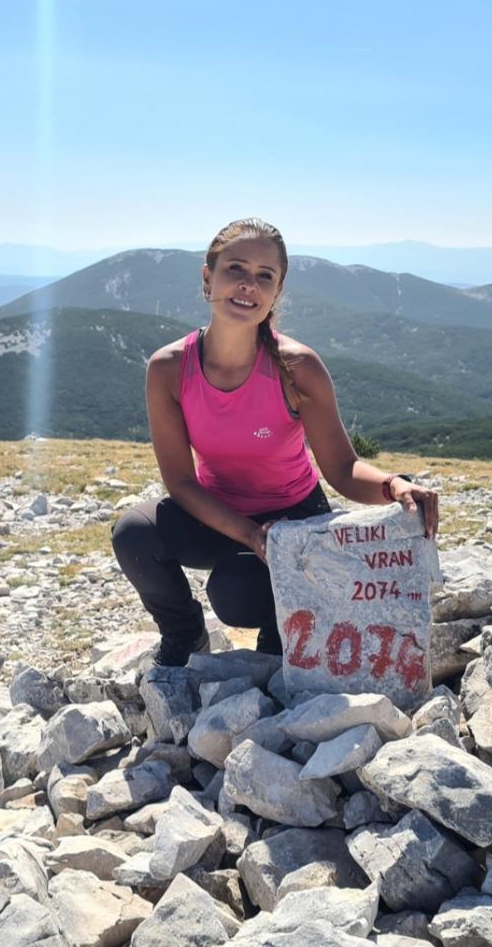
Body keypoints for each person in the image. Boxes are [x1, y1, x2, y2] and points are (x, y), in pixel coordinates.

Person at [112, 217, 440, 666]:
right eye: (235, 269)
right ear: (208, 278)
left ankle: (282, 630)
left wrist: (394, 485)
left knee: (235, 593)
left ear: (276, 292)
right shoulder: (169, 368)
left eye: (265, 276)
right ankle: (185, 635)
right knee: (134, 533)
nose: (249, 285)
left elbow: (342, 468)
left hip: (294, 517)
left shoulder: (298, 367)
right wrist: (249, 534)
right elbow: (181, 483)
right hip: (218, 514)